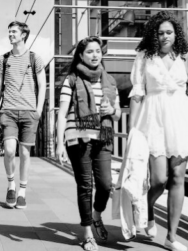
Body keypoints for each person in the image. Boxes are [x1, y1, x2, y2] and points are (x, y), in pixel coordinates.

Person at [127, 12, 188, 251]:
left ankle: (172, 237)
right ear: (153, 34)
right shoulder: (144, 57)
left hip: (181, 119)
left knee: (177, 178)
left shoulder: (186, 58)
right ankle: (146, 206)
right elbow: (137, 94)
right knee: (159, 179)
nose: (164, 36)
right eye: (160, 32)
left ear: (176, 34)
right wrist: (133, 130)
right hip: (152, 119)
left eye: (169, 32)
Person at [56, 36, 120, 251]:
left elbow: (118, 113)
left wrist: (111, 111)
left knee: (105, 185)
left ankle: (96, 216)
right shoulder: (71, 80)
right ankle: (87, 234)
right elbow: (62, 114)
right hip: (78, 140)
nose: (95, 55)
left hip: (103, 138)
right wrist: (59, 144)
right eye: (90, 52)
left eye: (98, 51)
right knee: (85, 187)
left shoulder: (109, 81)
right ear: (81, 56)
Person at [0, 20, 46, 209]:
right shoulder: (3, 59)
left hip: (29, 112)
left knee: (24, 152)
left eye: (14, 31)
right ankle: (11, 185)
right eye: (9, 31)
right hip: (8, 110)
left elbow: (42, 85)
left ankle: (22, 191)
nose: (10, 34)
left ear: (23, 35)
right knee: (8, 150)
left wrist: (39, 109)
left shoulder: (35, 58)